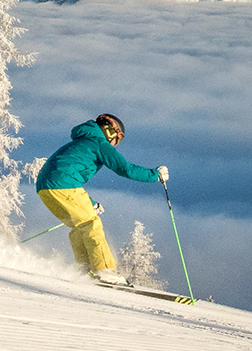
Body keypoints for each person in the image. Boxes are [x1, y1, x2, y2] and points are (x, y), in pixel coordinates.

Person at [34, 113, 169, 286]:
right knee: (91, 224)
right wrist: (155, 175)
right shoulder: (99, 143)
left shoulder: (84, 141)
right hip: (62, 183)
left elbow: (69, 170)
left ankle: (85, 269)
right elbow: (124, 169)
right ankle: (104, 270)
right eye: (118, 139)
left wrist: (90, 204)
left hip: (45, 187)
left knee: (79, 226)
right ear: (110, 131)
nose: (115, 144)